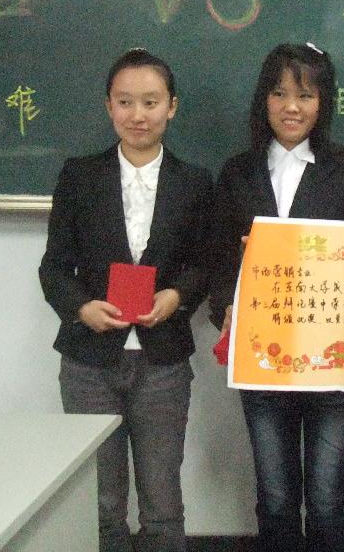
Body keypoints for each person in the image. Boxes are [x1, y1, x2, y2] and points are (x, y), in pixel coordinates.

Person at [39, 49, 213, 552]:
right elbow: (53, 268)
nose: (138, 115)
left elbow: (204, 263)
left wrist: (177, 295)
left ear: (171, 107)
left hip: (162, 364)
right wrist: (81, 308)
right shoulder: (80, 176)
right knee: (101, 504)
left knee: (162, 504)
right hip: (89, 363)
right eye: (125, 102)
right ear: (109, 106)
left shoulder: (195, 182)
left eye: (150, 102)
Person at [209, 43, 344, 552]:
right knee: (276, 496)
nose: (292, 107)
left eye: (305, 95)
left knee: (326, 496)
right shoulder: (237, 172)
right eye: (280, 93)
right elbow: (218, 260)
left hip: (334, 361)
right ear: (264, 99)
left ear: (323, 102)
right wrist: (227, 303)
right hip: (264, 358)